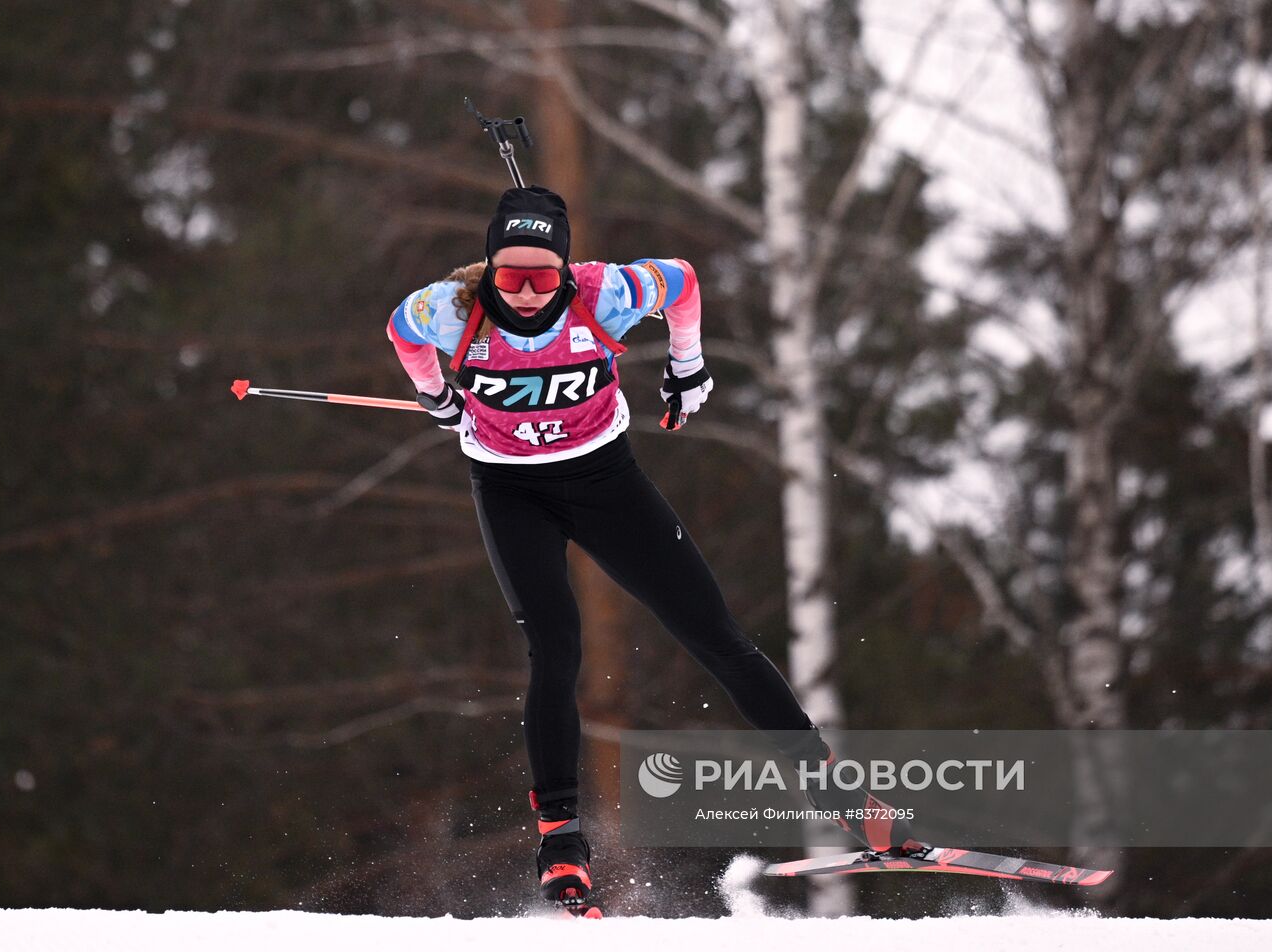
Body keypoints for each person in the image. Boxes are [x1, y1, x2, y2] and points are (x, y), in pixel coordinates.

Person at [386, 186, 917, 907]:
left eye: (544, 277)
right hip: (511, 491)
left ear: (566, 270)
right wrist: (437, 397)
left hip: (606, 482)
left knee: (716, 634)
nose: (529, 293)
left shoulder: (603, 293)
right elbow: (402, 329)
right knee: (555, 649)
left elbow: (683, 281)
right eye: (511, 276)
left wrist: (687, 365)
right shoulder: (453, 309)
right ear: (489, 269)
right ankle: (561, 845)